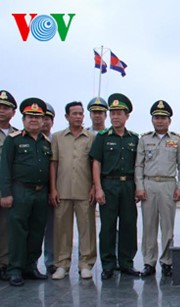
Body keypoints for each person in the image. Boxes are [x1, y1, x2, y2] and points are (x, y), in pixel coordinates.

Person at [0, 98, 51, 287]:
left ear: (43, 120)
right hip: (20, 190)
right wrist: (5, 193)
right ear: (23, 119)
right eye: (30, 116)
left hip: (40, 193)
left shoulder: (46, 143)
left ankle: (30, 266)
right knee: (17, 232)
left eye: (38, 117)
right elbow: (4, 168)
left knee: (37, 231)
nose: (33, 120)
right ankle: (14, 269)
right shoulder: (14, 140)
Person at [89, 93, 140, 279]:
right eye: (113, 113)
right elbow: (96, 163)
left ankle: (126, 263)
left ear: (127, 116)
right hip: (108, 185)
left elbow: (138, 166)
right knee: (108, 227)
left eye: (119, 113)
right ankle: (108, 265)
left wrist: (137, 187)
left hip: (128, 186)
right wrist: (98, 188)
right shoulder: (103, 137)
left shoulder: (134, 138)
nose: (115, 117)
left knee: (128, 226)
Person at [135, 100, 180, 278]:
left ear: (169, 121)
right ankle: (149, 263)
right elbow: (138, 166)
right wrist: (139, 187)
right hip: (149, 185)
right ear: (152, 120)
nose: (159, 121)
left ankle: (167, 262)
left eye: (163, 118)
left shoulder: (177, 140)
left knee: (167, 227)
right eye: (156, 117)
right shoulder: (144, 139)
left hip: (168, 185)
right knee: (148, 226)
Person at [49, 101, 97, 280]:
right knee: (62, 229)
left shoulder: (91, 137)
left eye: (80, 113)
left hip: (84, 191)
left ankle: (86, 264)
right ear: (67, 117)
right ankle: (62, 264)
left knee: (87, 229)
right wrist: (53, 188)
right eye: (74, 113)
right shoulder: (58, 137)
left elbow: (94, 164)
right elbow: (53, 163)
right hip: (62, 190)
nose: (78, 116)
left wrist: (94, 186)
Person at [0, 90, 18, 281]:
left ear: (13, 112)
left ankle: (4, 265)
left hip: (9, 191)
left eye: (6, 108)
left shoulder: (17, 135)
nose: (1, 111)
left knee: (6, 230)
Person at [41, 102, 56, 275]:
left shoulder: (56, 140)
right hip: (29, 190)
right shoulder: (21, 139)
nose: (44, 122)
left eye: (47, 118)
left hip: (52, 190)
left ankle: (50, 261)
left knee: (51, 229)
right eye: (41, 118)